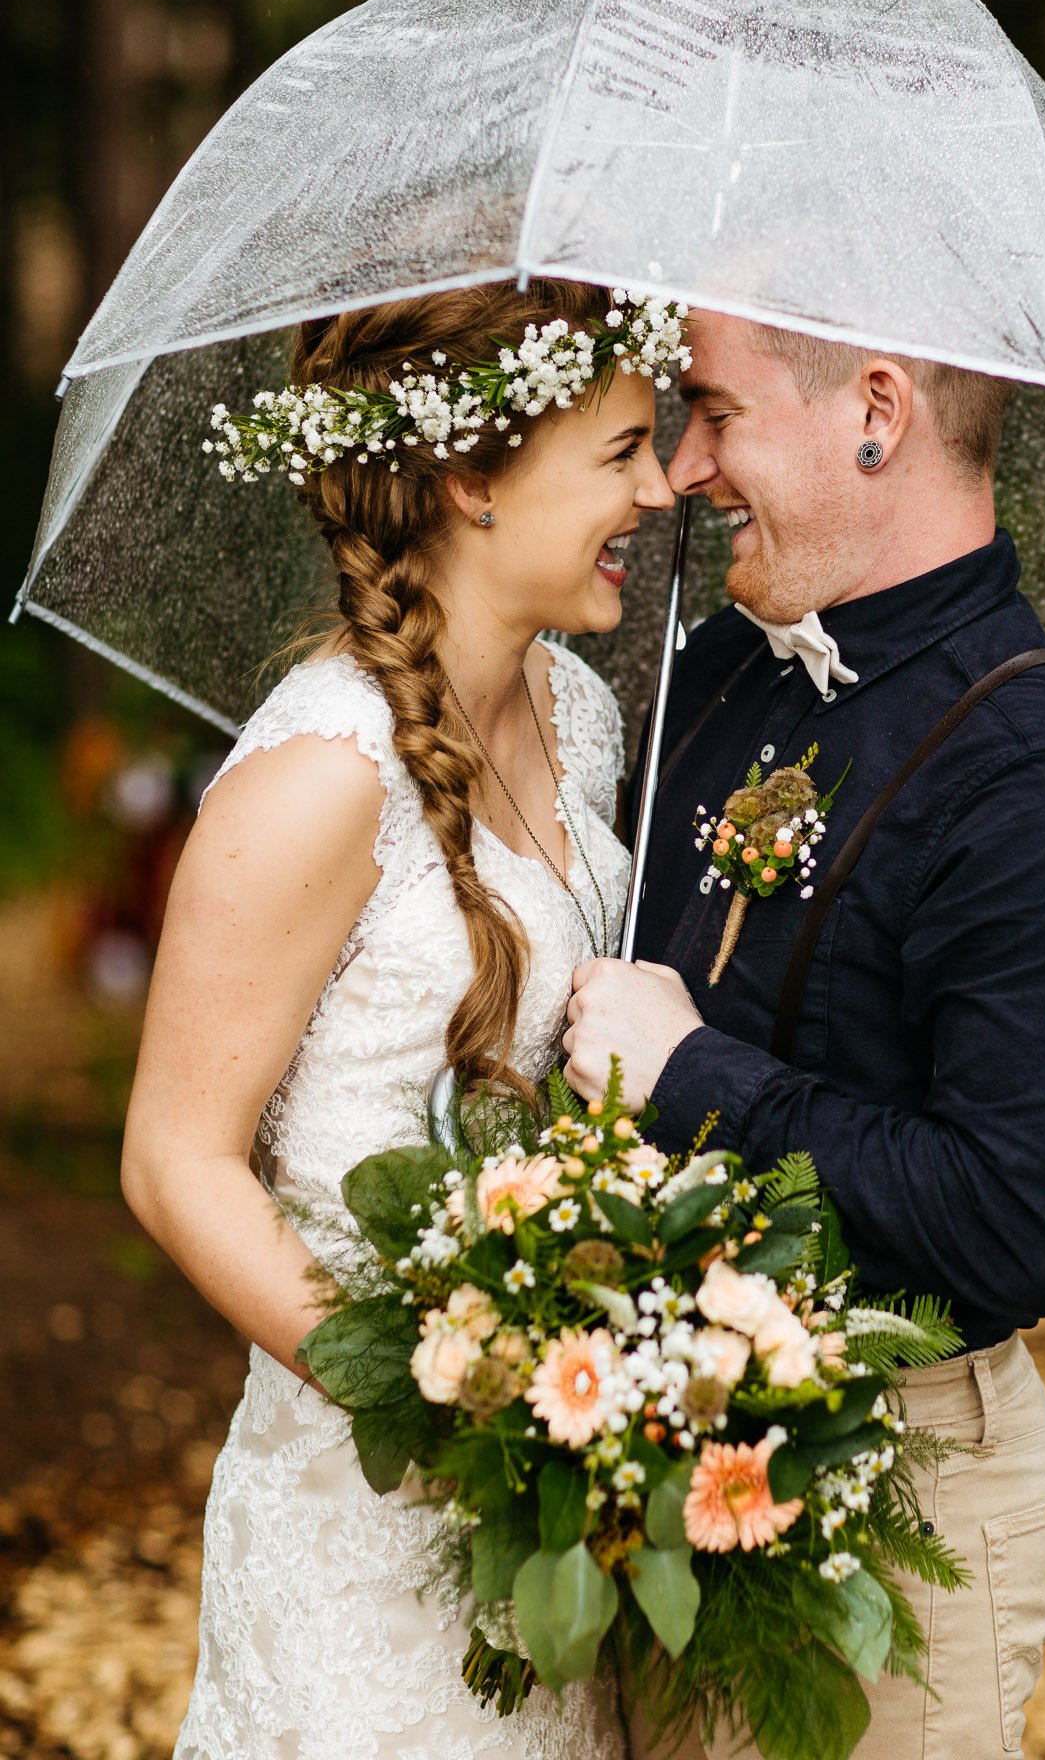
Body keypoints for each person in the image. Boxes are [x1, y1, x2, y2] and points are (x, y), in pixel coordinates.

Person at [562, 310, 1045, 1759]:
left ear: (877, 411)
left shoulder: (1042, 774)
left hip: (895, 1511)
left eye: (715, 414)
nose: (685, 470)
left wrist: (688, 1080)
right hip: (654, 1458)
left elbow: (1020, 1221)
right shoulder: (719, 670)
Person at [120, 279, 676, 1759]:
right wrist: (432, 1405)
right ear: (474, 478)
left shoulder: (589, 717)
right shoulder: (317, 780)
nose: (665, 486)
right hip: (368, 1527)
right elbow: (176, 1162)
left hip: (553, 1528)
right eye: (622, 452)